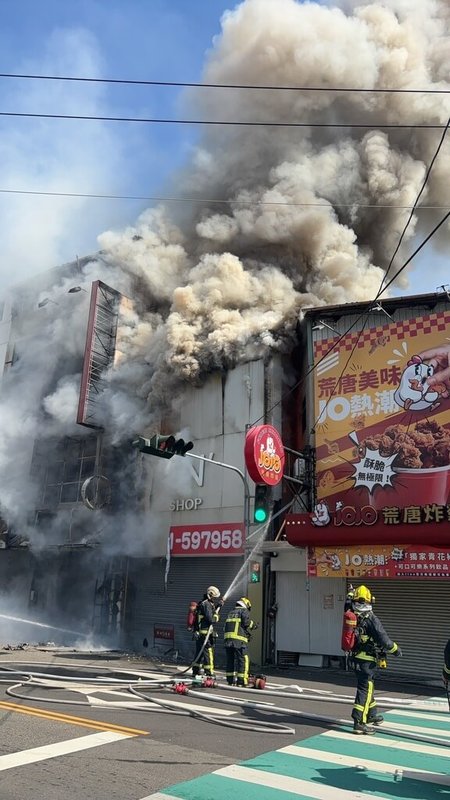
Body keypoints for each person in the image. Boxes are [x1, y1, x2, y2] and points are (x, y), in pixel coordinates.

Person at [350, 584, 402, 735]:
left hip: (355, 659)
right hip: (367, 661)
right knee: (365, 689)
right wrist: (396, 650)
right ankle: (359, 722)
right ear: (370, 601)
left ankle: (371, 714)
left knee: (368, 687)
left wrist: (350, 595)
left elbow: (348, 602)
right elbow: (384, 640)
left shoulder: (351, 614)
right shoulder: (371, 619)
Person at [224, 596, 258, 687]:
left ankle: (230, 680)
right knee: (243, 659)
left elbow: (238, 625)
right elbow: (246, 623)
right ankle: (241, 681)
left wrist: (246, 634)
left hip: (228, 640)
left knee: (230, 660)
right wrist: (253, 625)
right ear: (246, 605)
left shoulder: (231, 612)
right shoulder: (243, 611)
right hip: (238, 641)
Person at [192, 585, 223, 679]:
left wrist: (219, 606)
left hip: (200, 633)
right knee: (208, 652)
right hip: (205, 634)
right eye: (214, 597)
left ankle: (196, 671)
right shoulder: (207, 604)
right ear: (210, 595)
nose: (215, 599)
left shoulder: (205, 603)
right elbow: (211, 618)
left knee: (199, 653)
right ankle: (209, 672)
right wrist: (217, 617)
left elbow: (208, 613)